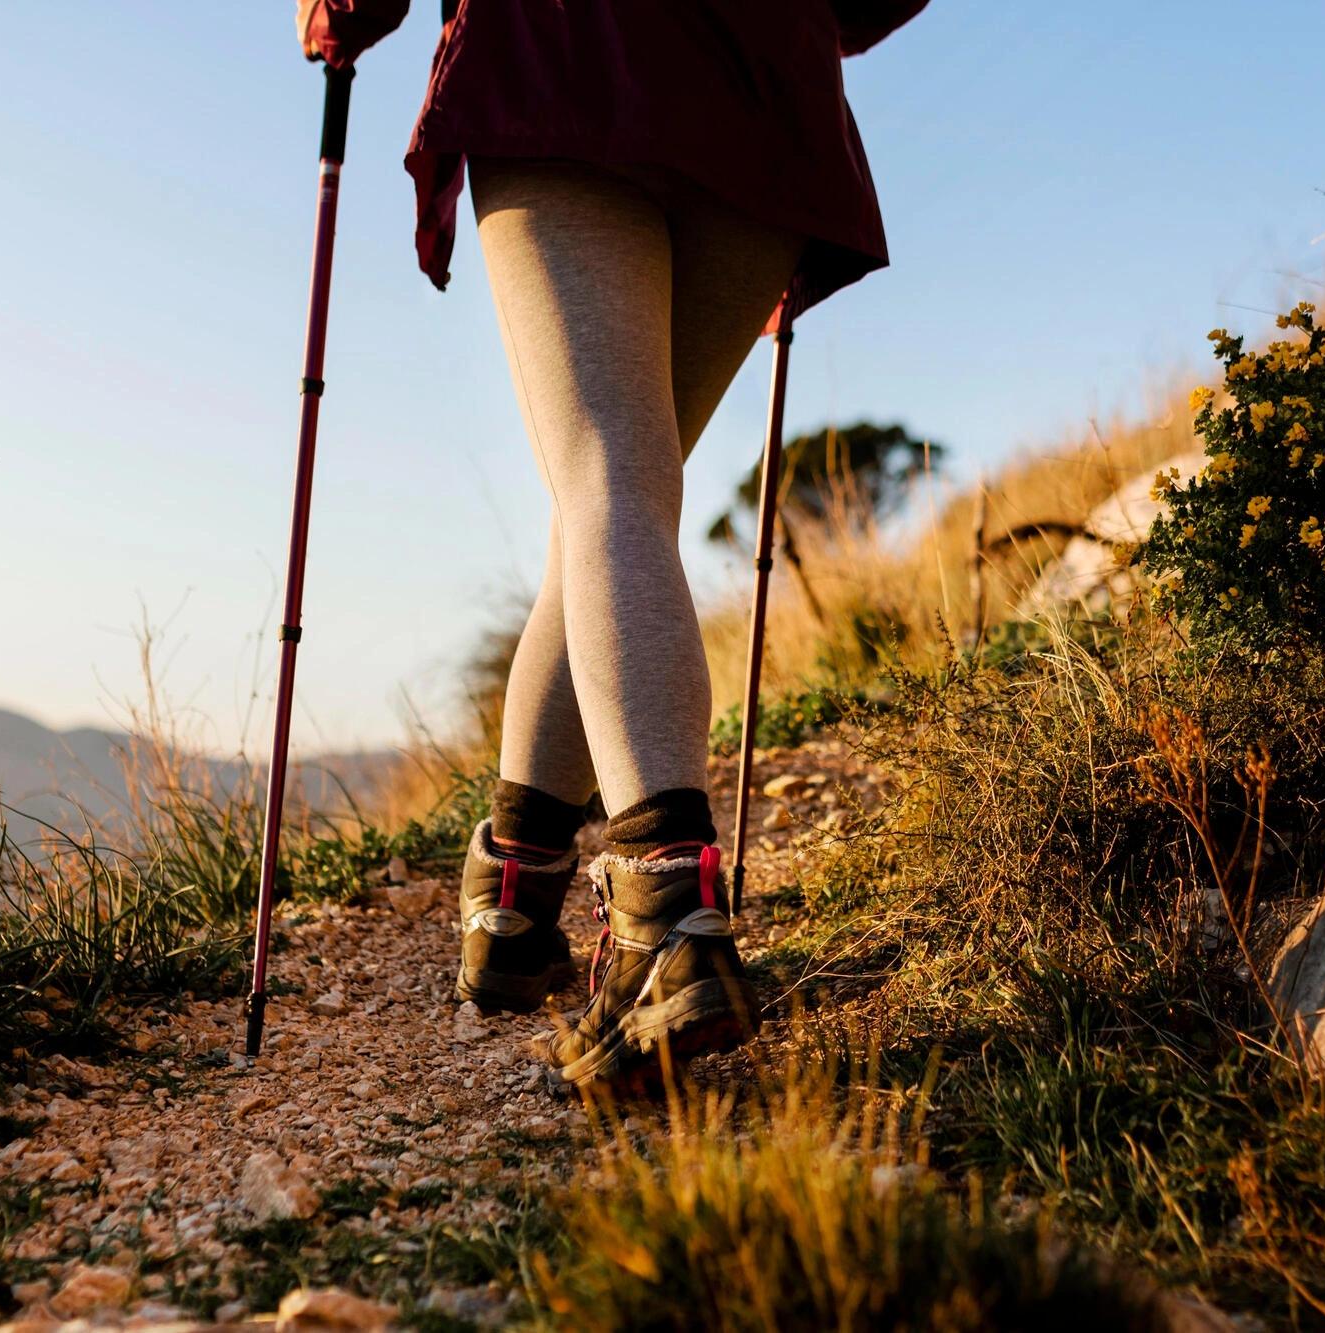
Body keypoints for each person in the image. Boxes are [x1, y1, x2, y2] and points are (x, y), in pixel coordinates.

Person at [294, 0, 926, 1088]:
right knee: (619, 495)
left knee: (607, 483)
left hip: (566, 50)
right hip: (764, 86)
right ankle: (512, 899)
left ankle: (666, 917)